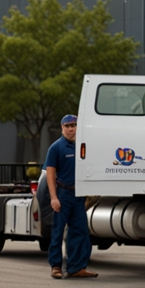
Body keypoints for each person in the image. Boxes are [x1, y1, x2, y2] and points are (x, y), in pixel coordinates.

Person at [45, 114, 97, 279]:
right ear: (62, 128)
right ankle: (56, 266)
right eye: (67, 126)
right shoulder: (56, 148)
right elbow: (50, 174)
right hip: (63, 193)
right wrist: (54, 197)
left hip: (79, 194)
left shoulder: (83, 147)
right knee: (58, 231)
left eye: (73, 125)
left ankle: (76, 268)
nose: (70, 129)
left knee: (79, 231)